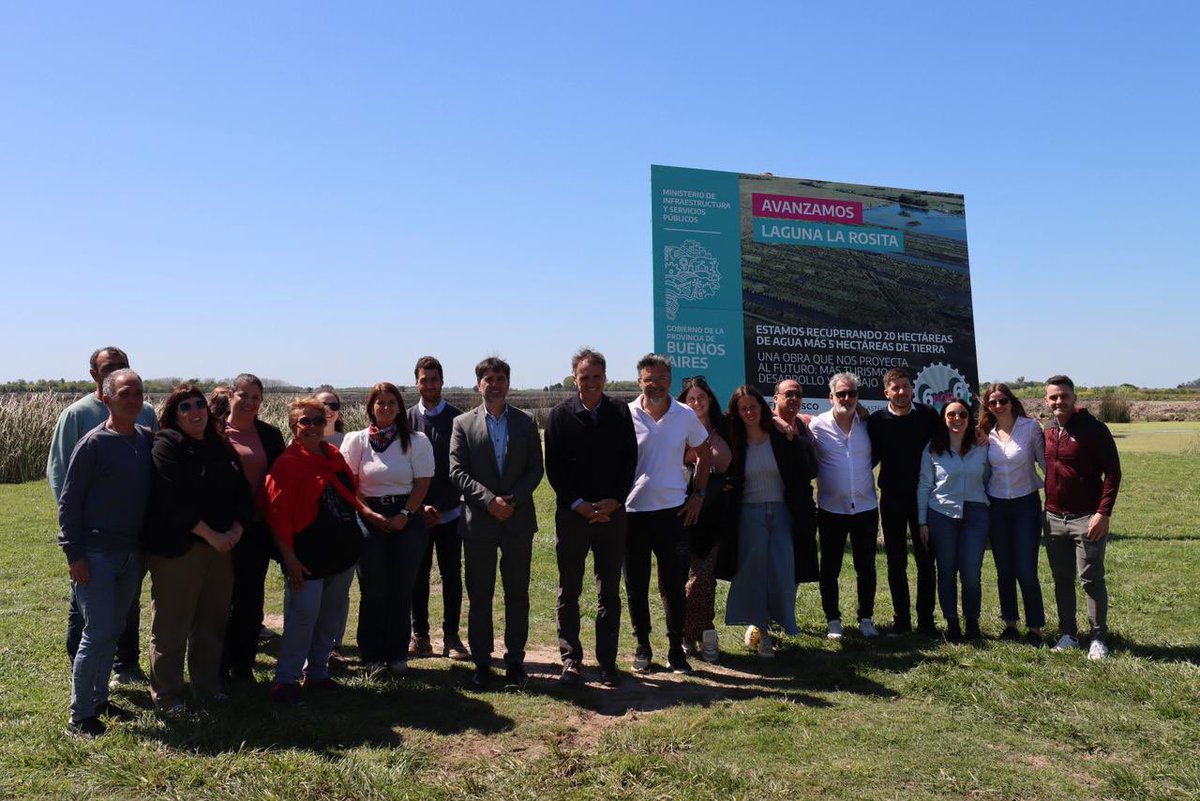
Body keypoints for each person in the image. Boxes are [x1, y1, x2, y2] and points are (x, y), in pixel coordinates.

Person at [261, 398, 391, 704]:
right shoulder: (287, 464)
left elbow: (349, 493)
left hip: (341, 553)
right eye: (305, 422)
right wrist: (289, 558)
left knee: (330, 617)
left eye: (317, 421)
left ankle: (318, 673)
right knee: (303, 618)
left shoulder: (332, 454)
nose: (312, 427)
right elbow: (277, 516)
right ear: (293, 427)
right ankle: (286, 680)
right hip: (307, 557)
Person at [47, 346, 157, 685]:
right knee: (85, 609)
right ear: (94, 374)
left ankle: (125, 666)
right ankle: (83, 672)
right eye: (109, 367)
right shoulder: (78, 414)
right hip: (93, 537)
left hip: (132, 537)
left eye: (122, 366)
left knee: (127, 605)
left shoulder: (147, 414)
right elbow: (62, 475)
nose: (115, 371)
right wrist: (75, 537)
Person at [145, 383, 252, 712]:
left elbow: (242, 493)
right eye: (185, 407)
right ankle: (167, 695)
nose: (195, 411)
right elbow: (172, 500)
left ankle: (206, 688)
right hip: (181, 549)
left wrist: (235, 528)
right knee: (172, 626)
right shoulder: (166, 444)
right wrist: (212, 535)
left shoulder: (220, 445)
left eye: (199, 405)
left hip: (222, 548)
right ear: (173, 415)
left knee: (212, 623)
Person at [545, 348, 638, 687]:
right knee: (569, 588)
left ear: (605, 378)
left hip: (612, 515)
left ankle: (608, 662)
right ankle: (571, 660)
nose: (591, 383)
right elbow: (553, 467)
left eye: (597, 377)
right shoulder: (559, 415)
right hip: (573, 515)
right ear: (575, 379)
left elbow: (630, 461)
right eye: (584, 377)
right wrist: (579, 503)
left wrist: (614, 502)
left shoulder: (619, 412)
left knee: (609, 592)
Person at [449, 357, 544, 689]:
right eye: (489, 378)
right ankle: (482, 662)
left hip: (517, 522)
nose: (495, 383)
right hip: (479, 523)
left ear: (508, 382)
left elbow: (536, 469)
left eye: (501, 377)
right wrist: (489, 500)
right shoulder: (462, 424)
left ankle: (515, 661)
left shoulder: (525, 422)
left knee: (517, 594)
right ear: (479, 384)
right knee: (480, 595)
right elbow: (457, 471)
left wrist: (512, 501)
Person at [624, 354, 711, 674]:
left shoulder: (684, 414)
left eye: (661, 379)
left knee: (674, 585)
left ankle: (676, 650)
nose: (656, 385)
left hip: (674, 514)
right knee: (636, 584)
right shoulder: (626, 414)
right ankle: (642, 647)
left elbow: (705, 455)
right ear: (639, 382)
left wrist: (698, 496)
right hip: (633, 513)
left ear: (670, 381)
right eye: (649, 379)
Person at [717, 386, 819, 658]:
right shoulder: (734, 437)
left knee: (783, 571)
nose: (749, 412)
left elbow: (807, 468)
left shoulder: (781, 435)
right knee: (753, 573)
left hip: (782, 512)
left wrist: (779, 423)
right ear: (737, 413)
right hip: (750, 513)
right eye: (744, 408)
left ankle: (780, 622)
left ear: (763, 407)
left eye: (754, 406)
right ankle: (761, 632)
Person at [341, 382, 434, 678]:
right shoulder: (356, 441)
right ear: (371, 407)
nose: (386, 408)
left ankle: (396, 653)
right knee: (373, 589)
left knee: (401, 588)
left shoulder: (416, 441)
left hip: (406, 517)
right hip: (368, 516)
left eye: (391, 403)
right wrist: (369, 514)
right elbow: (349, 484)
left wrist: (405, 515)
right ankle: (372, 656)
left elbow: (422, 483)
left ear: (399, 407)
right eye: (380, 403)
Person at [1043, 375, 1121, 660]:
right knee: (1062, 579)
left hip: (1086, 518)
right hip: (1052, 517)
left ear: (1074, 397)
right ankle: (1068, 634)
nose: (1058, 401)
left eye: (1064, 395)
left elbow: (1113, 472)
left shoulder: (1093, 429)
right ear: (1046, 401)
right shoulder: (1049, 428)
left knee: (1091, 580)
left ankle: (1098, 638)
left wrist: (1103, 513)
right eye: (1053, 397)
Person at [222, 374, 286, 683]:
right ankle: (217, 665)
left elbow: (279, 481)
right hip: (221, 530)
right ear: (231, 395)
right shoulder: (214, 431)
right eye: (243, 395)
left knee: (250, 600)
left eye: (255, 398)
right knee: (220, 600)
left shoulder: (270, 435)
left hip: (257, 530)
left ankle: (243, 664)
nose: (248, 402)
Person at [867, 368, 939, 636]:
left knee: (925, 561)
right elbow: (868, 458)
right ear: (886, 392)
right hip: (892, 499)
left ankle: (926, 621)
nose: (901, 392)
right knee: (896, 562)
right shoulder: (877, 421)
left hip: (924, 499)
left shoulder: (928, 416)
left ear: (912, 388)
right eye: (895, 388)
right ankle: (902, 620)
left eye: (905, 386)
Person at [407, 356, 470, 661]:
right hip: (416, 515)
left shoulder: (459, 420)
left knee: (451, 575)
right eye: (423, 379)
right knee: (417, 575)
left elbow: (460, 468)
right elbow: (401, 470)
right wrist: (419, 509)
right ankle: (419, 635)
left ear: (442, 382)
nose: (429, 385)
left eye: (434, 379)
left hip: (451, 513)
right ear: (416, 382)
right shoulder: (405, 421)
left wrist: (444, 507)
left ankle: (452, 636)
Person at [810, 372, 880, 639]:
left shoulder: (868, 424)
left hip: (865, 508)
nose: (846, 398)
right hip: (831, 510)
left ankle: (866, 618)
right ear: (831, 397)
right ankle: (833, 620)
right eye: (841, 394)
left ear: (857, 397)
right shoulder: (817, 426)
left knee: (866, 567)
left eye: (851, 393)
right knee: (830, 568)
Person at [979, 382, 1046, 646]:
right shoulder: (985, 434)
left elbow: (1044, 464)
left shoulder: (1030, 428)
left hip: (1025, 505)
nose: (997, 406)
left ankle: (1036, 629)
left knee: (1026, 570)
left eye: (1002, 401)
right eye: (992, 402)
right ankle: (1010, 625)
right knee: (1004, 569)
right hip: (996, 506)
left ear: (1011, 401)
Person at [918, 398, 990, 642]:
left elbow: (990, 478)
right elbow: (925, 486)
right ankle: (952, 624)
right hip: (941, 515)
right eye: (951, 415)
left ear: (970, 419)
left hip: (976, 514)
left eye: (962, 414)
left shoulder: (983, 447)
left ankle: (972, 623)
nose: (957, 419)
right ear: (943, 418)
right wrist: (922, 522)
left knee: (971, 574)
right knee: (946, 572)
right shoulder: (932, 448)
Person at [677, 375, 731, 663]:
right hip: (680, 511)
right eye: (690, 399)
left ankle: (692, 633)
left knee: (703, 578)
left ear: (710, 400)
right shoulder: (676, 425)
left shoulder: (725, 426)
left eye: (701, 398)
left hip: (715, 513)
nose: (696, 403)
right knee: (674, 579)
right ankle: (700, 632)